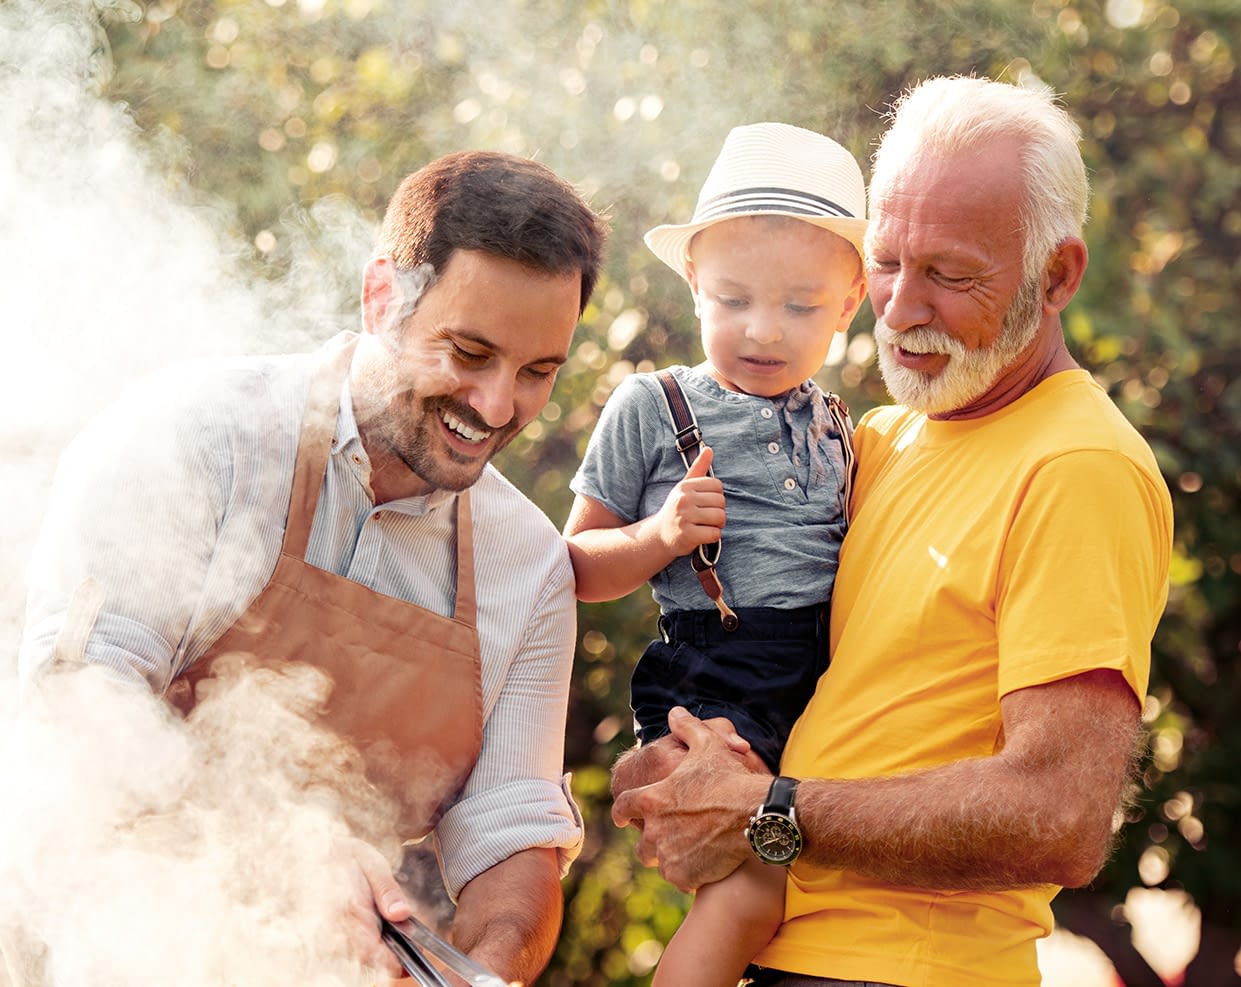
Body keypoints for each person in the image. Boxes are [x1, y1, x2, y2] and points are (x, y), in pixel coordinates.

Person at [611, 75, 1174, 987]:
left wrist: (764, 809)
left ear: (1058, 273)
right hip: (784, 953)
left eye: (949, 275)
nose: (900, 308)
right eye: (884, 262)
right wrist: (685, 764)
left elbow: (1059, 814)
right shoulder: (871, 441)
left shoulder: (1078, 466)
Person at [17, 150, 607, 985]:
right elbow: (81, 708)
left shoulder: (529, 567)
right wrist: (290, 844)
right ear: (381, 298)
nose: (497, 405)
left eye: (538, 371)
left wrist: (482, 969)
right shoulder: (196, 437)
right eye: (469, 354)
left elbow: (512, 833)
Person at [564, 122, 867, 986]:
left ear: (848, 305)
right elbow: (575, 564)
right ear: (693, 281)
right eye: (731, 299)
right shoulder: (652, 405)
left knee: (801, 881)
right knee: (749, 891)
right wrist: (661, 536)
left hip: (818, 676)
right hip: (719, 670)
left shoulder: (840, 425)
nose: (762, 331)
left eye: (800, 307)